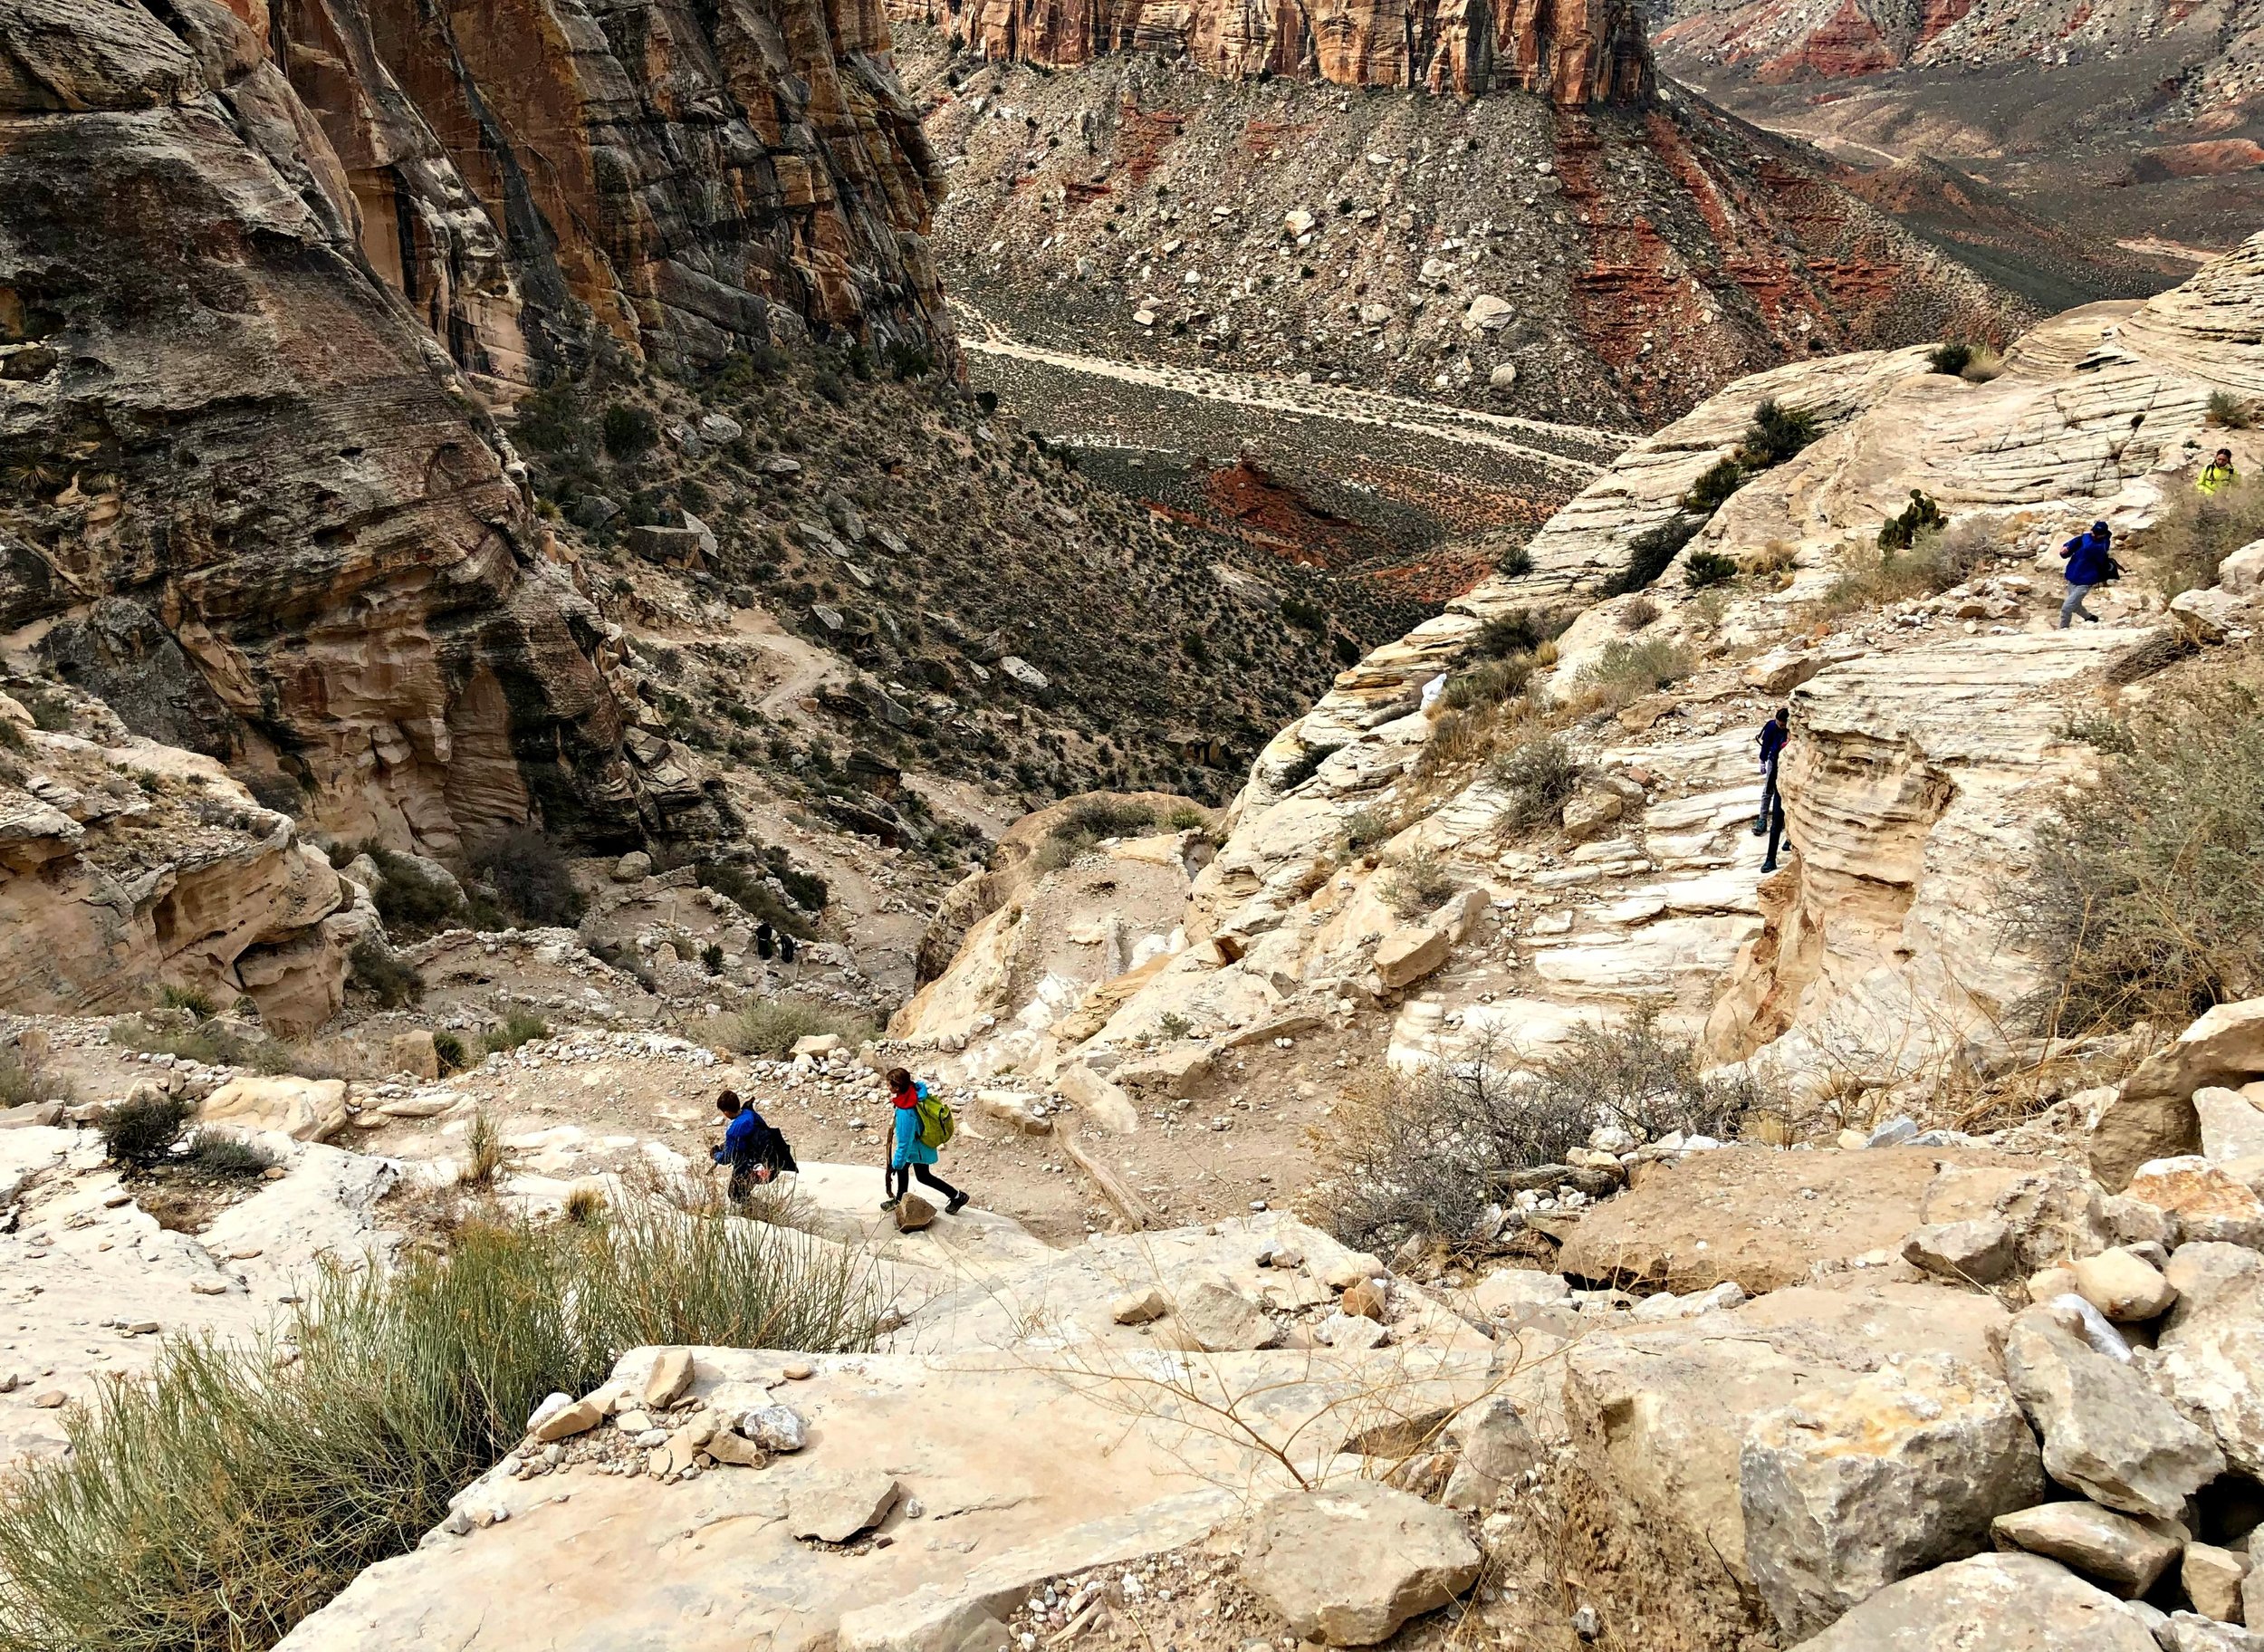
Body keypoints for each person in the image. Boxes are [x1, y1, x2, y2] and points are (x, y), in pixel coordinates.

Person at [881, 1066, 967, 1215]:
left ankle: (957, 1196)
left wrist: (895, 1164)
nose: (887, 1087)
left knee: (922, 1176)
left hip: (919, 1146)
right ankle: (900, 1200)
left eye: (889, 1084)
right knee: (905, 1170)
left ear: (897, 1087)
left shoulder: (905, 1110)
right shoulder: (913, 1093)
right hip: (921, 1141)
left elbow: (904, 1141)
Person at [712, 1090, 796, 1203]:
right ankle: (758, 1212)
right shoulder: (750, 1114)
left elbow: (726, 1158)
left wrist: (715, 1154)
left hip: (752, 1168)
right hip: (771, 1164)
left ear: (726, 1112)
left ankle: (760, 1214)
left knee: (735, 1194)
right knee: (741, 1192)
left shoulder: (734, 1131)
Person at [2058, 520, 2114, 629]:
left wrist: (2085, 536)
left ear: (2104, 534)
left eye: (2097, 534)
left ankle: (2063, 628)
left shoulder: (2103, 545)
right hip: (2073, 576)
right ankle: (2090, 618)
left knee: (2067, 607)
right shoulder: (2085, 538)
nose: (2094, 536)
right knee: (2075, 605)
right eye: (2093, 533)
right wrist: (2065, 549)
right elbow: (2071, 545)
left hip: (2086, 580)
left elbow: (2088, 547)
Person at [1753, 707, 1789, 835]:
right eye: (1779, 724)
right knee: (1768, 790)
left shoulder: (1791, 729)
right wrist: (1762, 760)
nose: (1781, 727)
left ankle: (1781, 820)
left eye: (1783, 725)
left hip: (1786, 762)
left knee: (1783, 791)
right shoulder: (1771, 726)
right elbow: (1766, 744)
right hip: (1773, 761)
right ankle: (1762, 819)